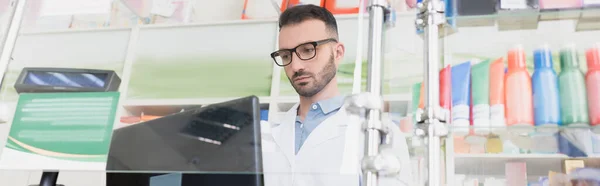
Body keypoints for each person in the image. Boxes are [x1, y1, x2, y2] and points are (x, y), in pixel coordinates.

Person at [261, 4, 413, 186]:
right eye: (286, 55)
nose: (295, 66)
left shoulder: (375, 133)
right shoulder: (268, 136)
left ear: (338, 52)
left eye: (308, 50)